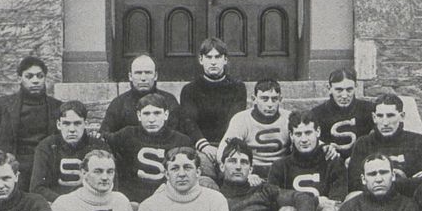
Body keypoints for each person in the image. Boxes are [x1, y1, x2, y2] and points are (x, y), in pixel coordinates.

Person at [0, 56, 62, 191]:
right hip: (12, 173)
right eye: (29, 76)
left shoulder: (57, 107)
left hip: (45, 174)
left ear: (45, 78)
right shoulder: (3, 105)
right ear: (19, 78)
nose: (35, 81)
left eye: (40, 76)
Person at [268, 110, 348, 211]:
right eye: (298, 134)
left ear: (318, 132)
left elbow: (336, 200)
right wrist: (313, 202)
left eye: (308, 133)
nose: (304, 139)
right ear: (291, 135)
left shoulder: (333, 162)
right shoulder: (280, 166)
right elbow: (273, 200)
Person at [106, 94, 193, 205]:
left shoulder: (181, 140)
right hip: (133, 199)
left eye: (157, 113)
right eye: (146, 114)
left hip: (168, 200)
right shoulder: (127, 134)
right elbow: (102, 140)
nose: (151, 119)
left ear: (166, 114)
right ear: (139, 115)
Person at [180, 37, 247, 177]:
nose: (213, 62)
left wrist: (224, 148)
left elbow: (235, 120)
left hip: (228, 144)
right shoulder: (190, 89)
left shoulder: (237, 88)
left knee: (231, 169)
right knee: (204, 171)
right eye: (209, 57)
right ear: (201, 60)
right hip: (202, 147)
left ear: (225, 60)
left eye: (217, 57)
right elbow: (189, 122)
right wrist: (205, 147)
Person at [347, 93, 422, 197]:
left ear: (402, 116)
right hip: (374, 202)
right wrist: (408, 182)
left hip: (410, 201)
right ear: (374, 118)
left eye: (390, 115)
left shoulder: (418, 142)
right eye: (380, 116)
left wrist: (380, 184)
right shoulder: (363, 144)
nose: (385, 122)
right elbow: (354, 184)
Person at [30, 100, 111, 202]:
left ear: (85, 124)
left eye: (77, 123)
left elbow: (111, 184)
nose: (72, 129)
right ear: (59, 125)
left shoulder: (99, 146)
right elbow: (37, 188)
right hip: (58, 204)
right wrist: (65, 202)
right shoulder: (47, 146)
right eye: (66, 124)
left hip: (91, 203)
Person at [217, 79, 291, 183]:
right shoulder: (241, 119)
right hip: (251, 169)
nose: (270, 104)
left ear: (281, 100)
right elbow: (223, 151)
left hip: (281, 171)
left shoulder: (289, 118)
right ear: (254, 99)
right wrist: (246, 174)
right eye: (264, 99)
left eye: (274, 99)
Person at [99, 54, 183, 137]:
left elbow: (179, 135)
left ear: (155, 76)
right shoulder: (119, 103)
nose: (143, 78)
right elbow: (105, 134)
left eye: (148, 72)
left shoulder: (169, 100)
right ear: (130, 76)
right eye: (138, 73)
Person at [311, 68, 375, 158]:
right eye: (339, 90)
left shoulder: (368, 109)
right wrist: (323, 147)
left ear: (356, 87)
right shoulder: (317, 114)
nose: (344, 95)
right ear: (329, 89)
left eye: (349, 90)